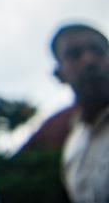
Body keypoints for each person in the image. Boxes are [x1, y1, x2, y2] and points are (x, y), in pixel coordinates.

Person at [50, 23, 109, 203]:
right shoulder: (73, 150)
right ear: (59, 75)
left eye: (98, 50)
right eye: (74, 55)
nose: (89, 60)